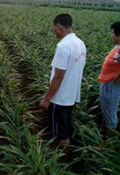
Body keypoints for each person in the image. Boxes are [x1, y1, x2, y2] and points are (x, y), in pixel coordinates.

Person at [39, 14, 86, 150]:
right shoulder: (80, 43)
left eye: (54, 28)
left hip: (59, 98)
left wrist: (47, 99)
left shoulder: (63, 46)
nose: (54, 31)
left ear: (59, 27)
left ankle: (58, 161)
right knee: (64, 126)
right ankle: (63, 159)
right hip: (71, 96)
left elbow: (58, 76)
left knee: (59, 133)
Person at [98, 21, 120, 138]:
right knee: (107, 110)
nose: (112, 35)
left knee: (110, 115)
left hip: (112, 85)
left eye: (113, 33)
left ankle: (107, 146)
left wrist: (117, 76)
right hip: (108, 84)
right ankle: (102, 135)